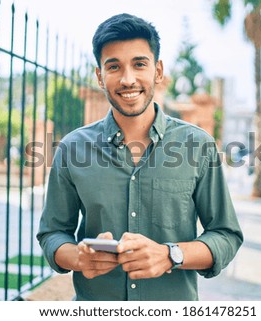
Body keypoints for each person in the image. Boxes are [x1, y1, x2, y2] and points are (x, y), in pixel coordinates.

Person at [37, 13, 243, 301]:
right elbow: (52, 234)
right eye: (114, 66)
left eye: (139, 64)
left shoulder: (198, 145)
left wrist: (170, 255)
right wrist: (78, 258)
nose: (128, 79)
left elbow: (226, 235)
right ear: (100, 76)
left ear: (158, 71)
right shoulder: (72, 149)